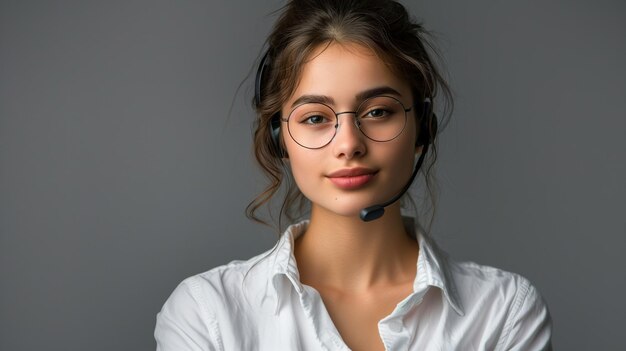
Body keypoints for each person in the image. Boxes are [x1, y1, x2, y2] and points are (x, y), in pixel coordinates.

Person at [154, 0, 552, 350]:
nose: (349, 144)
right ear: (280, 140)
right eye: (314, 118)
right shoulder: (207, 313)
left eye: (378, 111)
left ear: (423, 128)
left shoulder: (504, 311)